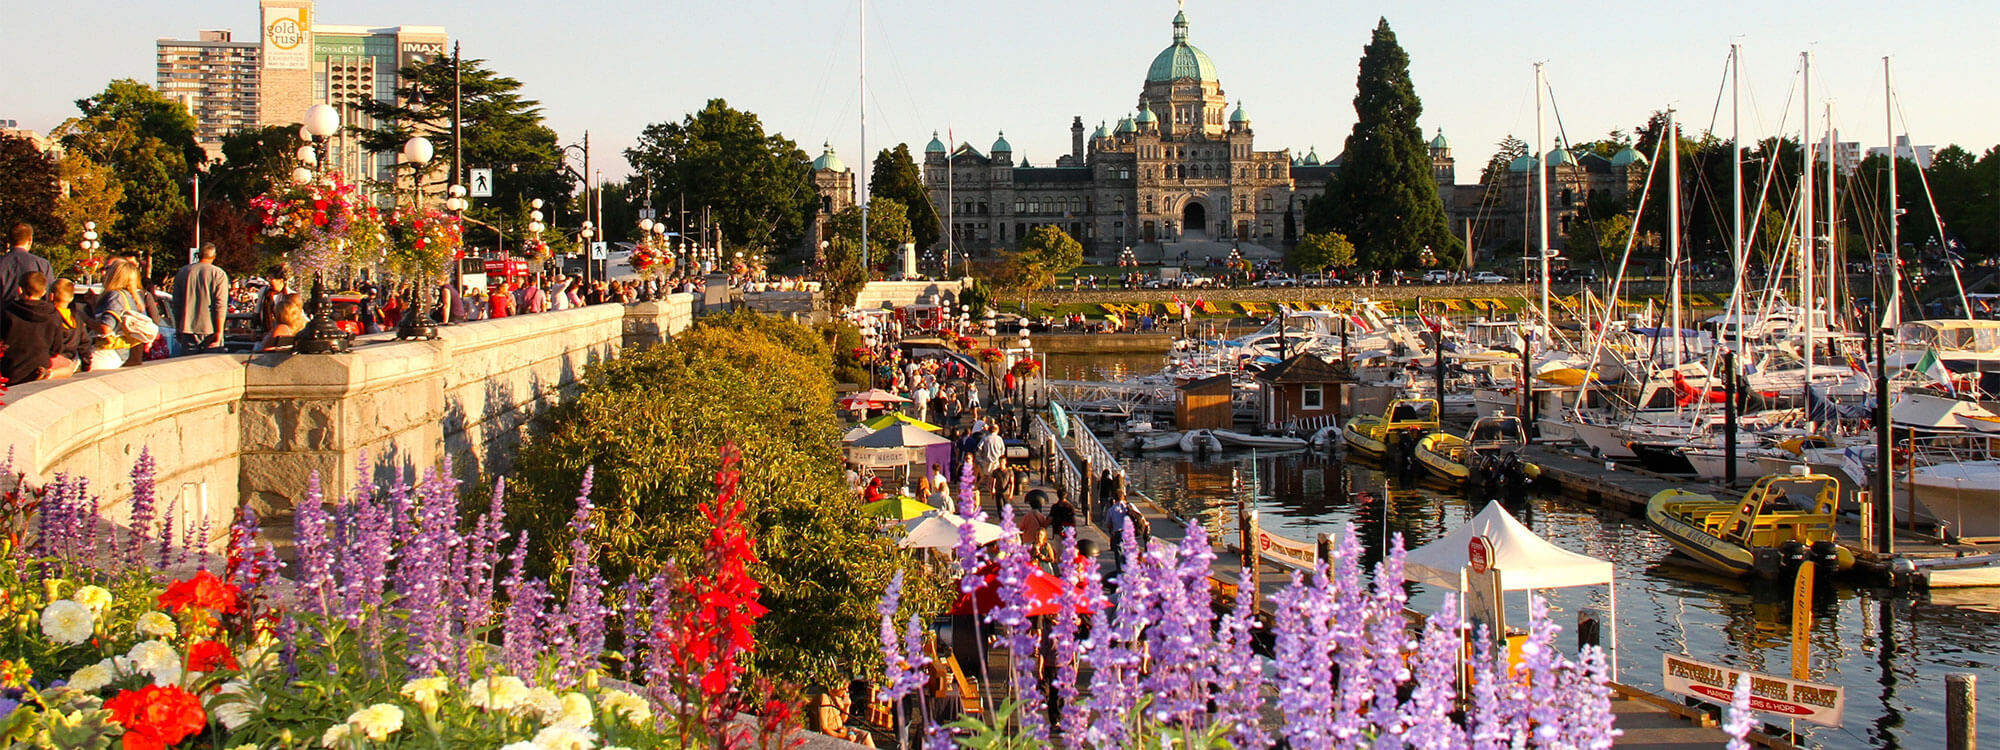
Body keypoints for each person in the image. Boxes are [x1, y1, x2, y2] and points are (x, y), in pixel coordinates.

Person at [88, 260, 151, 370]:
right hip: (122, 353)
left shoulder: (115, 295)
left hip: (106, 352)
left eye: (108, 269)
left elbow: (106, 328)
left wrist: (83, 318)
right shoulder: (133, 298)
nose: (105, 272)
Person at [2, 272, 60, 385]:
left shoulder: (7, 312)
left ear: (19, 290)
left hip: (10, 371)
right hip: (39, 369)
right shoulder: (53, 314)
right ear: (43, 292)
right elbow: (56, 348)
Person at [171, 244, 229, 354]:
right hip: (210, 327)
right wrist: (220, 331)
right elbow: (220, 304)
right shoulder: (218, 274)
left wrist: (178, 326)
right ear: (214, 256)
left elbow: (176, 303)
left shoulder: (183, 272)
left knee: (189, 364)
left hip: (187, 327)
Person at [0, 223, 51, 319]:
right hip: (33, 319)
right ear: (30, 240)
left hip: (4, 320)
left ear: (9, 239)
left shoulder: (2, 262)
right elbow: (49, 296)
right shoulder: (42, 265)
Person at [48, 278, 87, 376]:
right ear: (71, 298)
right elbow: (84, 343)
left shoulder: (49, 317)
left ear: (51, 296)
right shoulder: (76, 319)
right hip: (70, 360)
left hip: (52, 360)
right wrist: (86, 364)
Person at [255, 267, 292, 334]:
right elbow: (257, 310)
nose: (268, 281)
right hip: (266, 332)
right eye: (268, 278)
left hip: (284, 332)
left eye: (271, 278)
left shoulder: (290, 295)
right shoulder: (264, 291)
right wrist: (254, 329)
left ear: (280, 280)